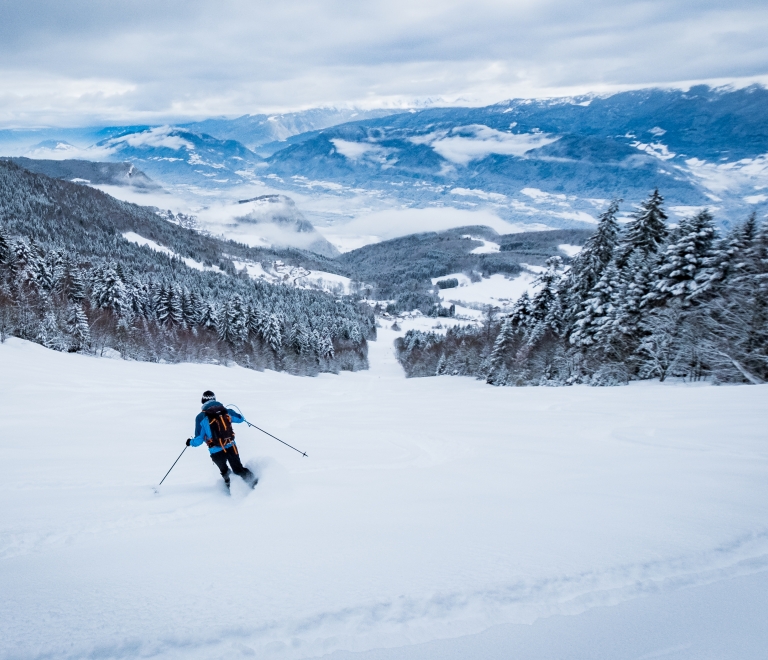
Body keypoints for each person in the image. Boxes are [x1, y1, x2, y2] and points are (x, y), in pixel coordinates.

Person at [187, 390, 257, 490]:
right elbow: (241, 419)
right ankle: (256, 485)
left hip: (215, 450)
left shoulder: (200, 417)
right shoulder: (225, 411)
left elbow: (198, 440)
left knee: (224, 471)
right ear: (214, 399)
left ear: (202, 401)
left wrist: (190, 442)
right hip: (231, 445)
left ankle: (232, 492)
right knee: (238, 469)